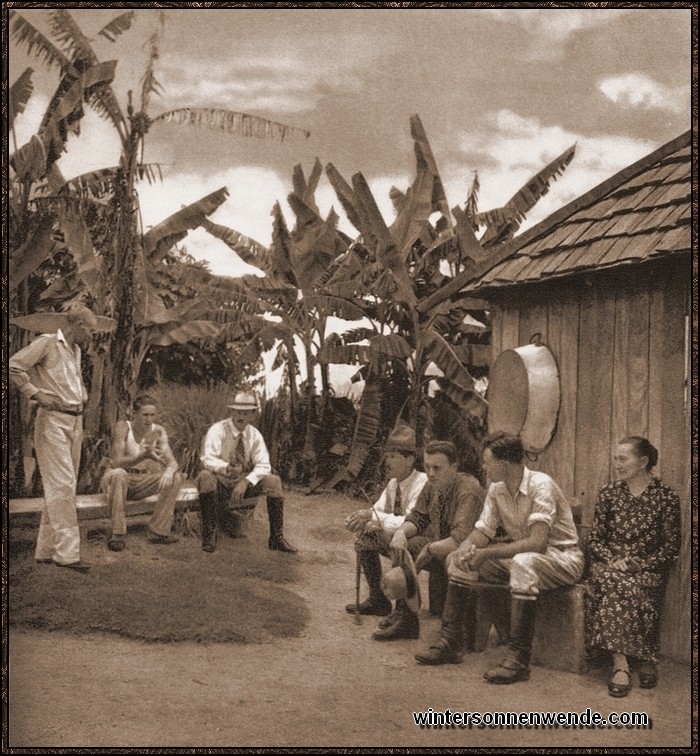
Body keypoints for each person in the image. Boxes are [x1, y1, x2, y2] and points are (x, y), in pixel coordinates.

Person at [416, 431, 584, 685]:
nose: (484, 467)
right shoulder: (497, 489)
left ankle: (518, 659)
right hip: (524, 557)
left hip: (562, 558)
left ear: (504, 464)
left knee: (523, 563)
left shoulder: (541, 485)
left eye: (487, 462)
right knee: (461, 561)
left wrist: (486, 553)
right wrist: (466, 548)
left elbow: (537, 543)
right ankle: (451, 642)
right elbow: (483, 531)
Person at [586, 436, 681, 698]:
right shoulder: (609, 494)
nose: (617, 464)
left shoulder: (666, 497)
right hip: (610, 565)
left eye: (622, 459)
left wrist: (641, 565)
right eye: (616, 458)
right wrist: (613, 560)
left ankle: (642, 655)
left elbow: (671, 545)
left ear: (643, 462)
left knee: (633, 583)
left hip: (647, 569)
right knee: (614, 579)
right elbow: (595, 539)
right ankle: (623, 663)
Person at [9, 304, 99, 573]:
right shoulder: (47, 343)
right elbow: (13, 366)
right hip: (53, 421)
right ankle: (68, 554)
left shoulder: (77, 351)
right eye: (91, 330)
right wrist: (35, 394)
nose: (92, 335)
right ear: (79, 325)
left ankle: (46, 549)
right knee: (63, 483)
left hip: (75, 421)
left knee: (62, 486)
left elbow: (69, 382)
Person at [372, 440, 485, 642]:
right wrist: (401, 533)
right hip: (444, 545)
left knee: (433, 550)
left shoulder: (467, 490)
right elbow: (419, 518)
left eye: (437, 468)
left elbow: (461, 540)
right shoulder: (432, 484)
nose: (431, 473)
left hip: (472, 552)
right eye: (427, 467)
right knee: (404, 543)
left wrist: (430, 548)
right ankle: (406, 617)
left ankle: (448, 635)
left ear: (454, 467)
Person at [197, 391, 297, 554]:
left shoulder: (254, 435)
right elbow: (207, 459)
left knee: (274, 482)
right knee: (205, 477)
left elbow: (264, 465)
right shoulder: (218, 430)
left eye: (245, 413)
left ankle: (276, 538)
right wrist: (227, 468)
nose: (241, 417)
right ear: (232, 412)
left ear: (252, 415)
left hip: (242, 483)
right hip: (220, 481)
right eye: (237, 412)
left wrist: (246, 482)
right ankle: (210, 535)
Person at [344, 423, 428, 617]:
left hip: (421, 539)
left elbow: (412, 522)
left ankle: (403, 611)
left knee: (405, 544)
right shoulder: (393, 484)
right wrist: (360, 521)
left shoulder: (422, 483)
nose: (387, 462)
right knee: (365, 539)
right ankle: (378, 600)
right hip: (399, 537)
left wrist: (371, 517)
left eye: (393, 457)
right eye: (387, 456)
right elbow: (377, 511)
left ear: (409, 460)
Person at [99, 394, 183, 552]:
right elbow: (116, 462)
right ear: (134, 413)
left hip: (142, 480)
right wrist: (143, 456)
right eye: (145, 415)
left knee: (175, 478)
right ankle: (118, 533)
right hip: (118, 480)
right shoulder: (123, 427)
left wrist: (170, 470)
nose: (149, 419)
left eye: (152, 415)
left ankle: (158, 531)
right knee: (119, 474)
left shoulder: (158, 431)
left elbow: (172, 460)